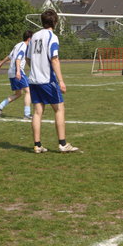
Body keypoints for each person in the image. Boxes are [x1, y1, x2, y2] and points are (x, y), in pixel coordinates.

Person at [26, 9, 79, 153]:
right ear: (55, 22)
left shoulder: (34, 36)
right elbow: (54, 59)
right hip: (47, 80)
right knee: (59, 109)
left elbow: (28, 57)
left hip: (33, 80)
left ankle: (37, 145)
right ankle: (62, 144)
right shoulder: (52, 37)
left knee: (37, 112)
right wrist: (61, 81)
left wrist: (34, 69)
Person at [0, 30, 33, 119]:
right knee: (28, 91)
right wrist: (18, 71)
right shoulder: (24, 46)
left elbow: (9, 56)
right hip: (16, 71)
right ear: (29, 39)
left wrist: (1, 63)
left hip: (11, 72)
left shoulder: (18, 45)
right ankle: (27, 114)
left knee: (18, 94)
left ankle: (0, 106)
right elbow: (18, 59)